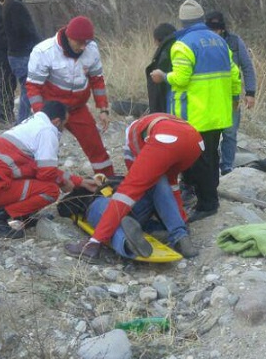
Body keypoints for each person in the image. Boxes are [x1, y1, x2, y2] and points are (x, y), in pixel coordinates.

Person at [66, 112, 203, 261]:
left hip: (163, 141)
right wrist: (181, 220)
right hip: (195, 141)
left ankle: (110, 243)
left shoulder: (133, 138)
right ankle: (179, 234)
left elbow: (129, 190)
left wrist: (95, 240)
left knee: (106, 206)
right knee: (160, 179)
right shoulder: (149, 126)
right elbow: (171, 186)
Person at [148, 0, 239, 222]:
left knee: (199, 161)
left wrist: (162, 76)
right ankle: (210, 195)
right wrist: (235, 99)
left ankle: (208, 203)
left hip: (196, 114)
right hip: (219, 112)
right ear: (201, 19)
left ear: (183, 21)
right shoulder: (219, 41)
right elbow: (235, 74)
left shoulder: (183, 44)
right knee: (211, 155)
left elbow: (180, 79)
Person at [0, 100, 97, 238]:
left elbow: (37, 168)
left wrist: (80, 181)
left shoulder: (32, 125)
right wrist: (64, 183)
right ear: (57, 121)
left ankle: (23, 216)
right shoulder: (47, 131)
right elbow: (46, 174)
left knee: (37, 180)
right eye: (65, 124)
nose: (65, 128)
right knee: (50, 190)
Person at [25, 15, 117, 178]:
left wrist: (103, 109)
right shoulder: (44, 51)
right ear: (69, 36)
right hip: (50, 109)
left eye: (86, 42)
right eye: (79, 42)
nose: (83, 47)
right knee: (43, 151)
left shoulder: (92, 49)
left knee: (96, 148)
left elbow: (97, 80)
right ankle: (34, 182)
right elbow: (33, 87)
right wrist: (41, 116)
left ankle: (108, 183)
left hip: (77, 109)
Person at [204, 10, 257, 175]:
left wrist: (250, 92)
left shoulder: (235, 42)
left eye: (217, 29)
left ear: (223, 28)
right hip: (208, 97)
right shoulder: (202, 42)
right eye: (211, 29)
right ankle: (209, 167)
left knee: (230, 133)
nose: (215, 33)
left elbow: (247, 67)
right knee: (209, 134)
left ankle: (227, 167)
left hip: (231, 97)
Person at [2, 0, 41, 122]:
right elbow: (25, 31)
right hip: (21, 56)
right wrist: (42, 45)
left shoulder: (9, 3)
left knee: (29, 89)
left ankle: (27, 120)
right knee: (28, 89)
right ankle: (23, 123)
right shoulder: (15, 6)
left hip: (17, 55)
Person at [145, 22, 176, 114]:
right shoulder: (181, 47)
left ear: (158, 40)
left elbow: (158, 90)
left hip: (169, 107)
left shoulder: (164, 54)